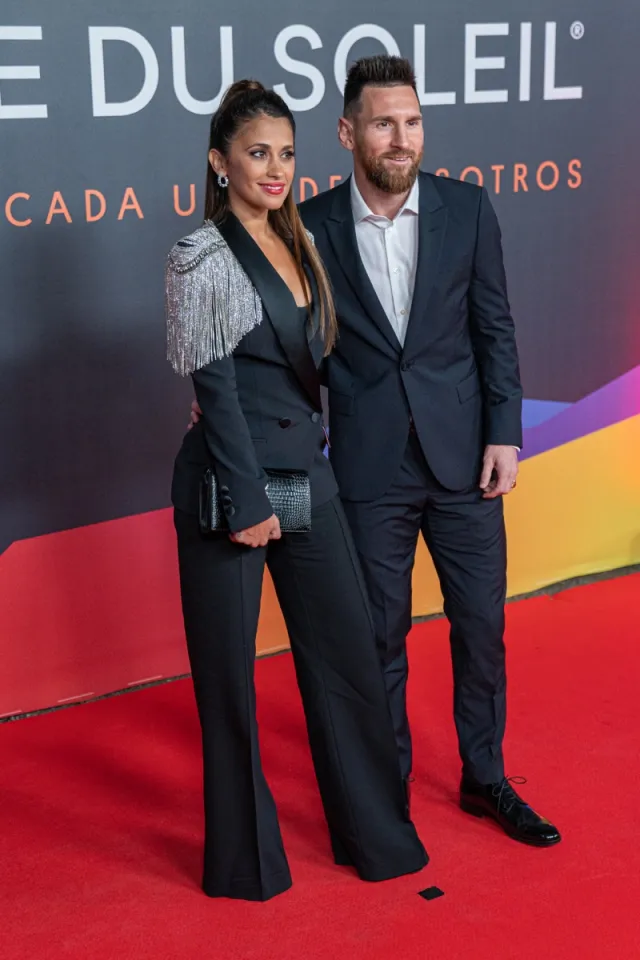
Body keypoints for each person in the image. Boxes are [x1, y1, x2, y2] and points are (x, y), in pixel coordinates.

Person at [190, 56, 561, 848]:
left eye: (414, 121)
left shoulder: (466, 209)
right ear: (348, 133)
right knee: (376, 640)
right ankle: (382, 792)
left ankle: (485, 776)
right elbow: (288, 346)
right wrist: (223, 400)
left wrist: (505, 430)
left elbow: (494, 329)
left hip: (465, 459)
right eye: (385, 123)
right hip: (364, 467)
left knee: (480, 627)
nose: (403, 138)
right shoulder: (308, 224)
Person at [166, 79, 428, 902]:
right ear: (220, 161)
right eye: (255, 154)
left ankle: (376, 837)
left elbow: (315, 367)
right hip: (230, 483)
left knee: (347, 655)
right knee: (228, 682)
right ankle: (246, 866)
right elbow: (216, 389)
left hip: (305, 477)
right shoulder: (199, 255)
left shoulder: (303, 240)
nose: (275, 169)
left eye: (285, 152)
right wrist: (246, 503)